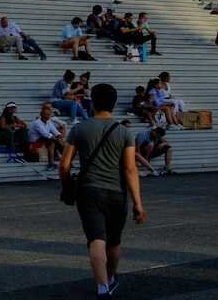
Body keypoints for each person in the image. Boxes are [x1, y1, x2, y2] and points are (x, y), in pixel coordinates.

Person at [58, 83, 146, 297]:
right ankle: (111, 277)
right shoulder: (124, 132)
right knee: (113, 242)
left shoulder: (79, 128)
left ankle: (102, 287)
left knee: (96, 239)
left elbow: (64, 165)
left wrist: (67, 184)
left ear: (93, 103)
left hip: (88, 191)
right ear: (114, 104)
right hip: (116, 193)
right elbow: (130, 169)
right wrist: (138, 203)